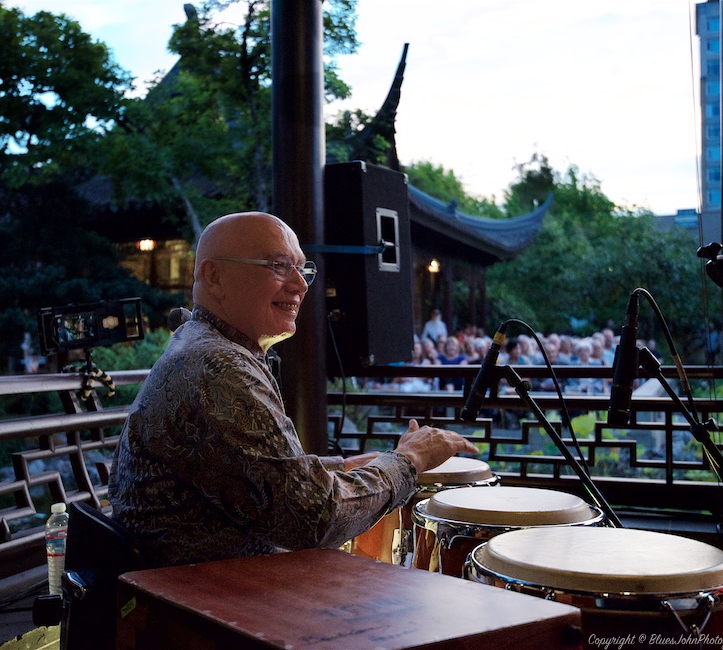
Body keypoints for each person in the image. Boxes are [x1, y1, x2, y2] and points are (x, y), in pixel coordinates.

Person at [108, 212, 475, 568]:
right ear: (214, 276)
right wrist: (409, 462)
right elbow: (315, 519)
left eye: (302, 269)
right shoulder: (219, 365)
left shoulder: (205, 344)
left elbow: (247, 474)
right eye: (279, 266)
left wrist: (341, 466)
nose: (300, 285)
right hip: (199, 604)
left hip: (207, 587)